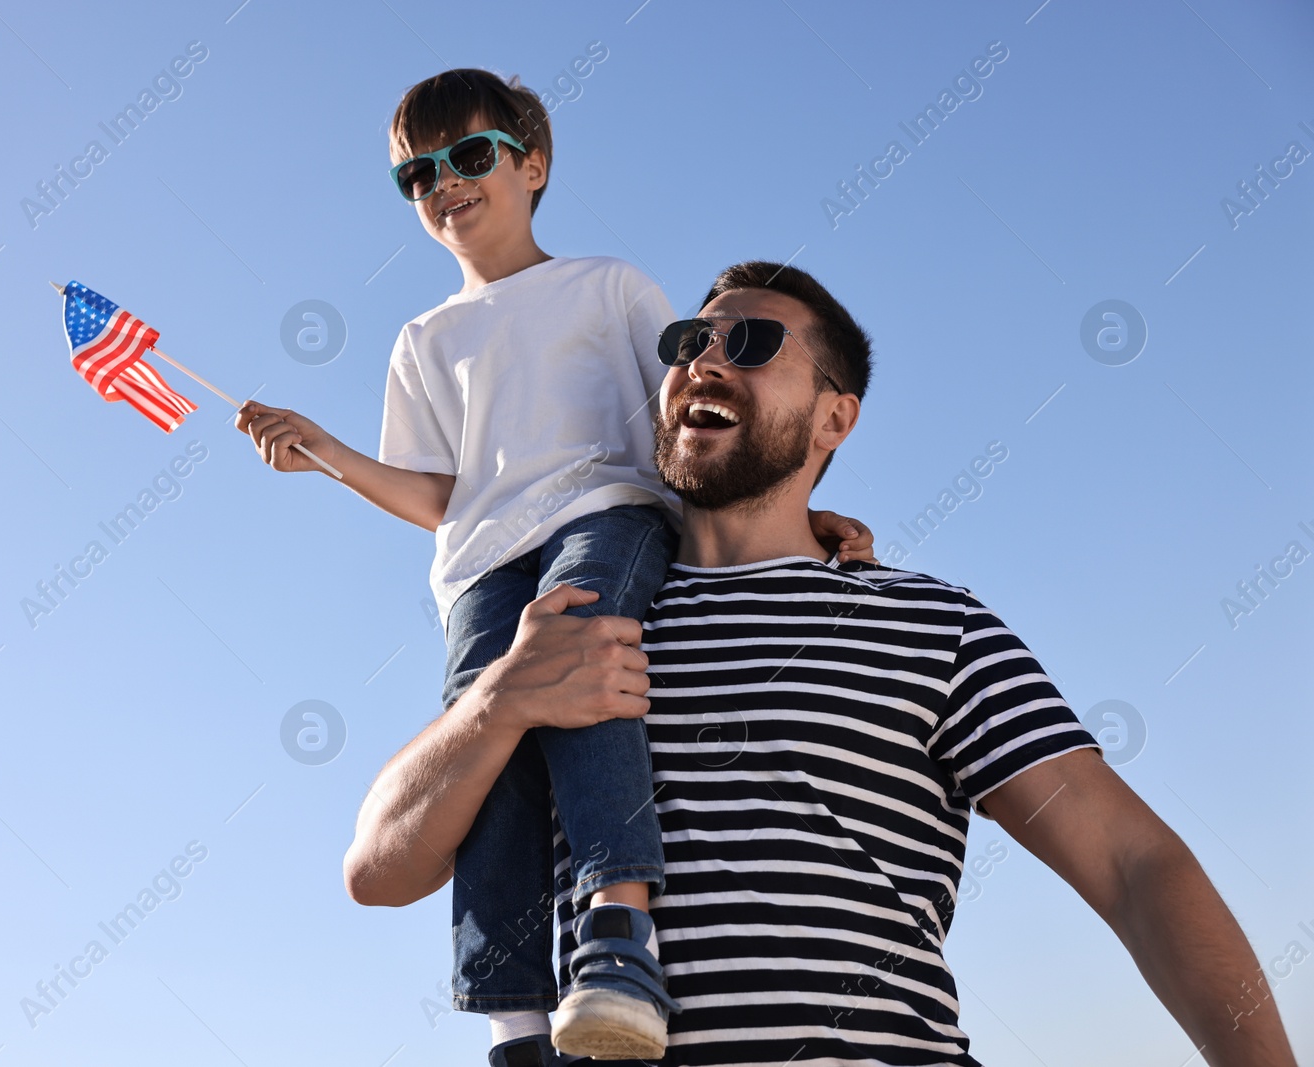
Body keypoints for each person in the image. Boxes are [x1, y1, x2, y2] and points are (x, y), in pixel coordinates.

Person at [342, 260, 1299, 1066]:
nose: (704, 361)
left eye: (752, 346)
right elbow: (378, 869)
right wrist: (500, 702)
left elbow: (1134, 863)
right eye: (687, 345)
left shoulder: (932, 622)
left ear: (835, 419)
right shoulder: (565, 623)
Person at [235, 72, 873, 1063]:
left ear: (531, 165)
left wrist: (793, 507)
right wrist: (327, 450)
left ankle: (620, 930)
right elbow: (440, 497)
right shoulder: (420, 340)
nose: (444, 182)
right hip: (480, 561)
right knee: (488, 751)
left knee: (586, 664)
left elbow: (684, 418)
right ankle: (515, 1021)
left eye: (468, 155)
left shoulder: (608, 285)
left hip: (604, 512)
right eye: (417, 173)